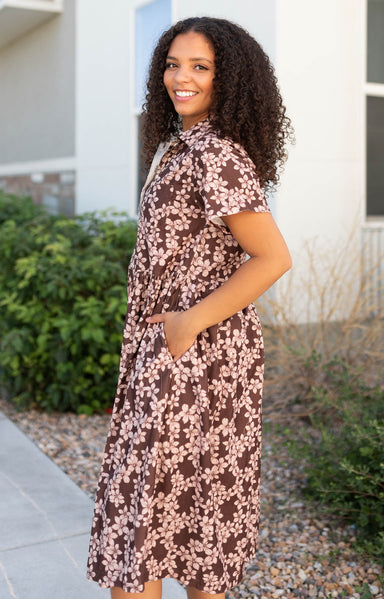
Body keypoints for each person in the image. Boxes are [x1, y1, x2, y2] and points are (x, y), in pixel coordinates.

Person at [87, 16, 293, 599]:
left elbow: (272, 257)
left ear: (228, 80)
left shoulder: (216, 154)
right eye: (173, 64)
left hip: (198, 359)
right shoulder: (180, 147)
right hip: (174, 355)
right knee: (169, 528)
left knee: (152, 534)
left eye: (200, 67)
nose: (182, 77)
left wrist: (188, 321)